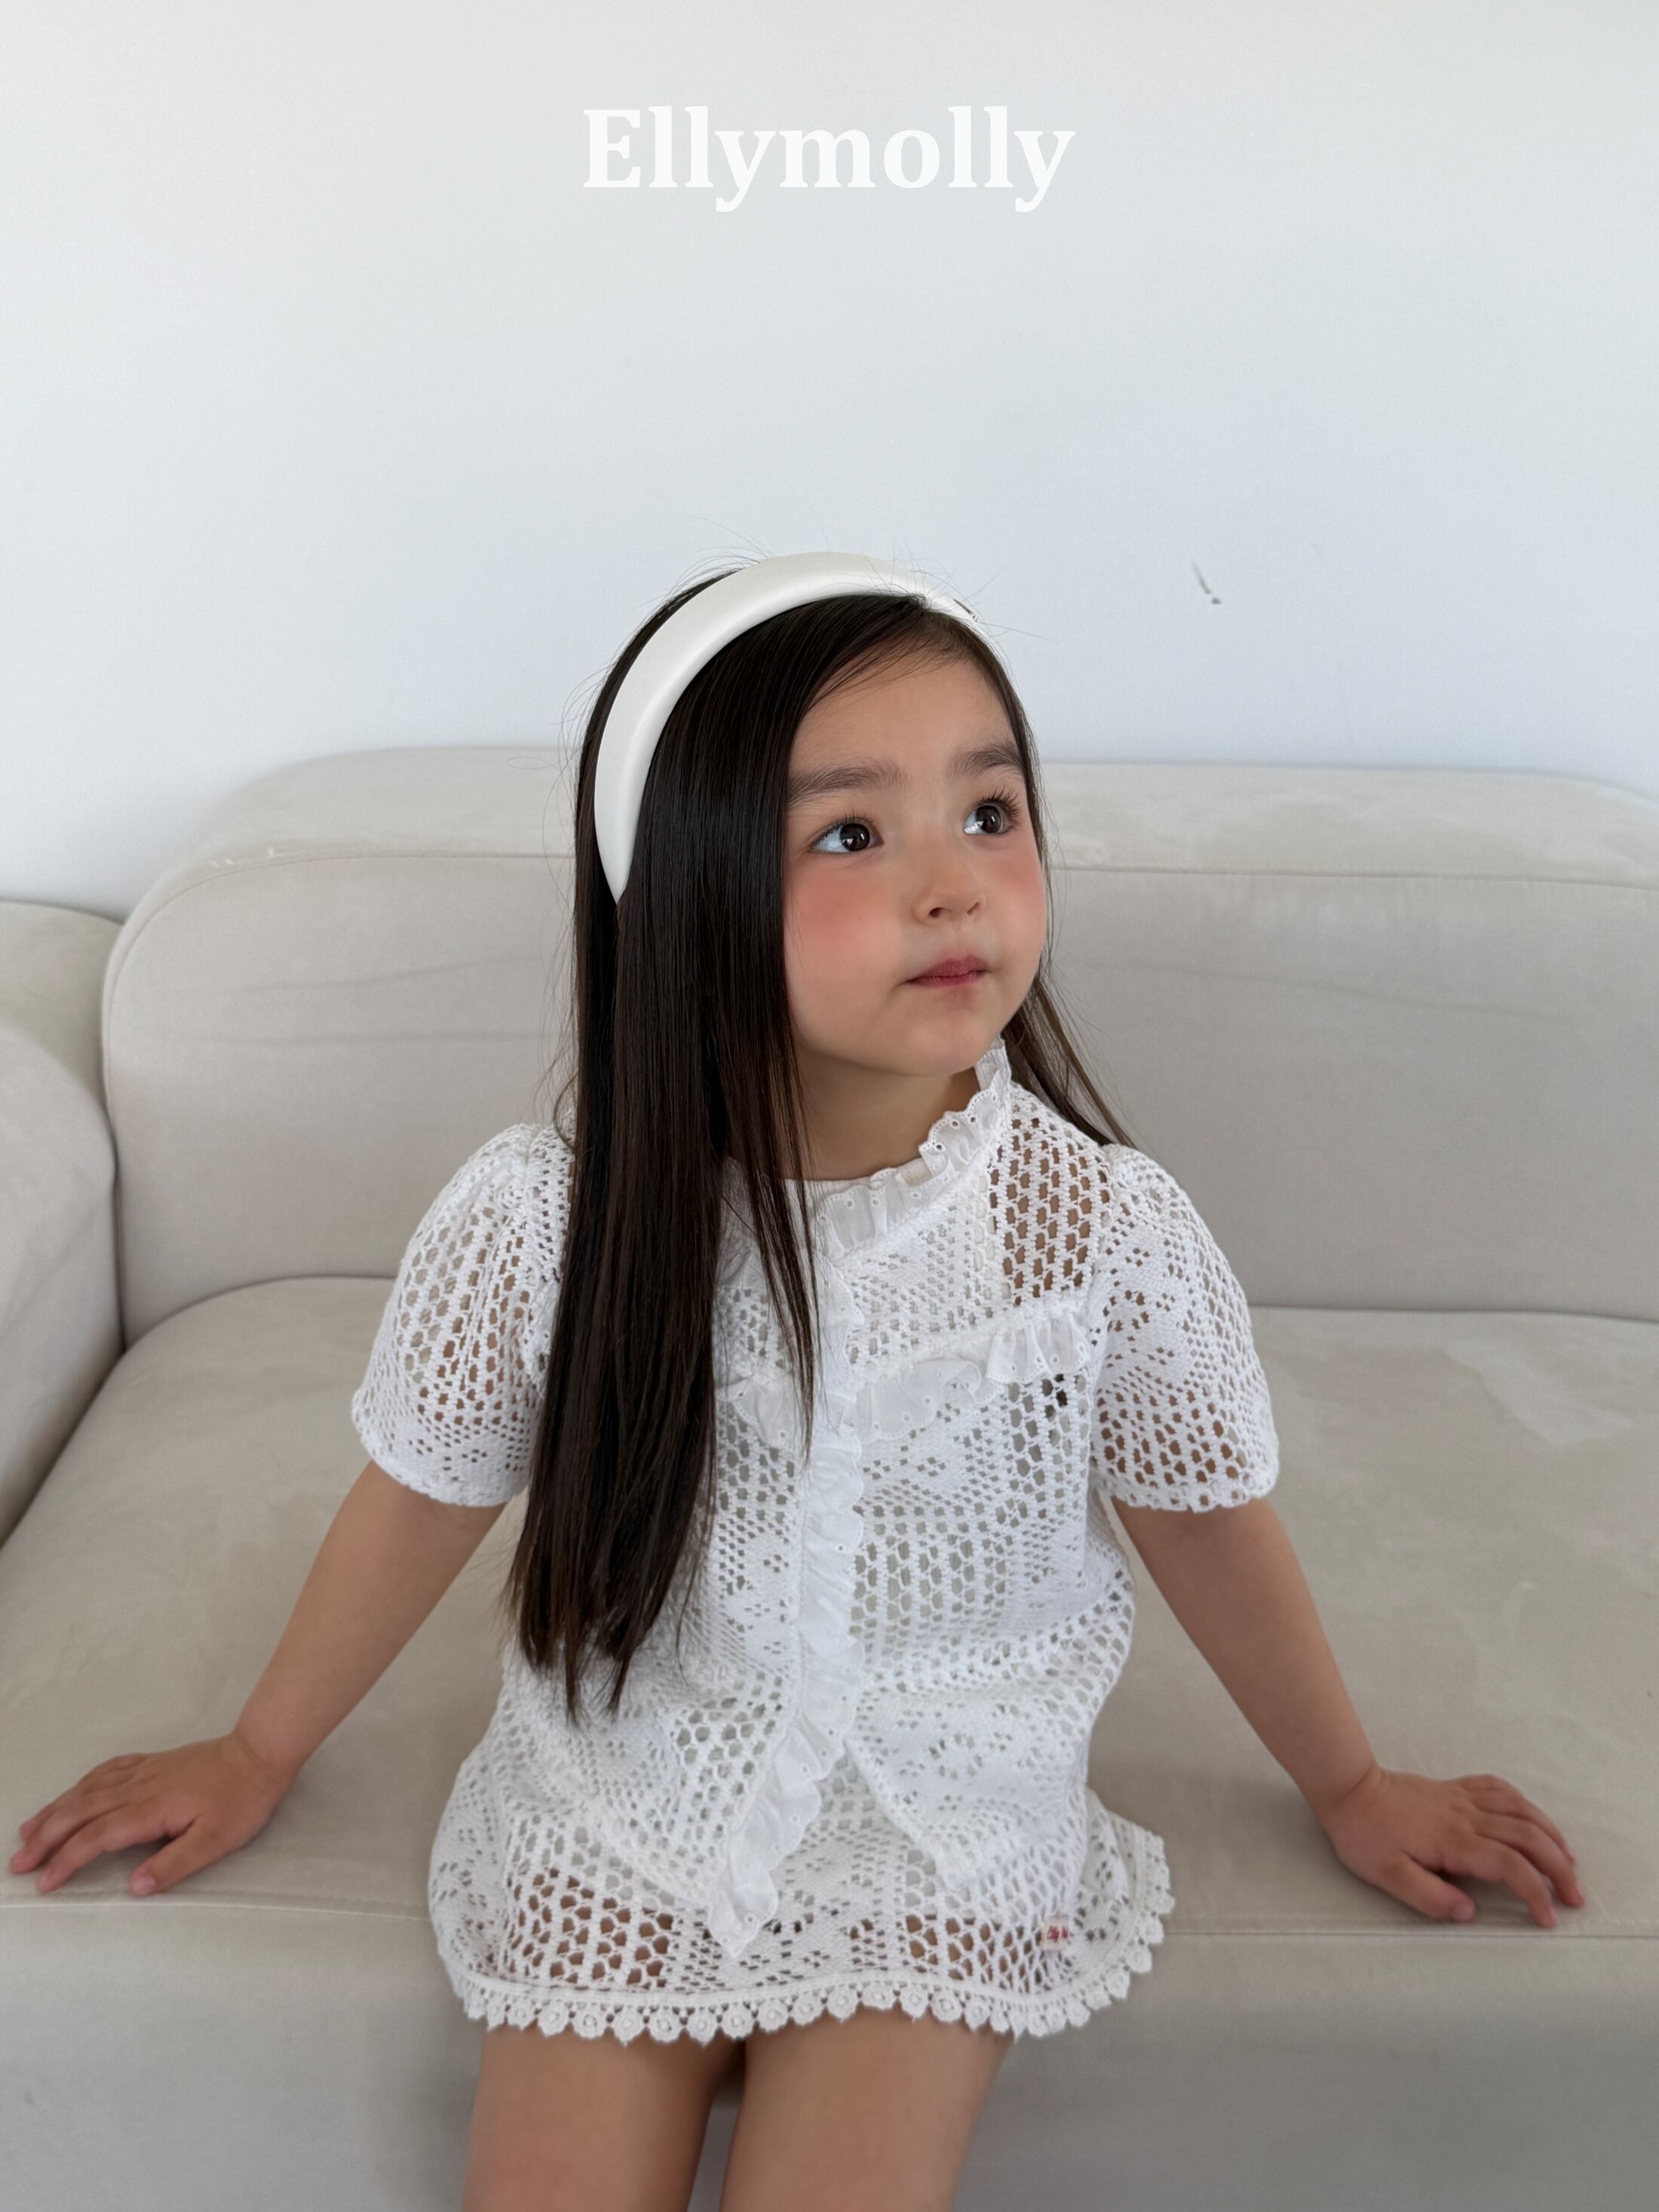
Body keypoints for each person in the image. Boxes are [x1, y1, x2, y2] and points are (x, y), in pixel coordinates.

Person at [11, 553, 1584, 2212]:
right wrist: (257, 1748)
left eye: (988, 812)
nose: (952, 887)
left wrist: (1348, 1782)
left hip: (939, 1813)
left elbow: (1201, 1517)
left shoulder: (1095, 1232)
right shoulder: (548, 1219)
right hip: (628, 1787)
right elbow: (422, 1493)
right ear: (690, 896)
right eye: (849, 835)